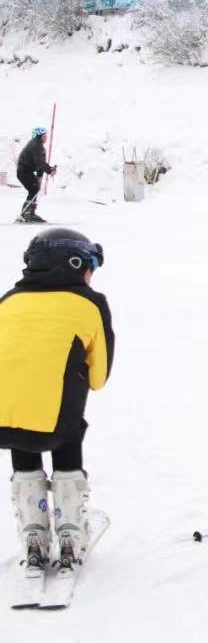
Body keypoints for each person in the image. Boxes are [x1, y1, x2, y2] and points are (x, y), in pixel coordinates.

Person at [1, 228, 113, 578]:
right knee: (66, 425)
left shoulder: (7, 301)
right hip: (56, 425)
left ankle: (33, 533)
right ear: (76, 264)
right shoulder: (90, 304)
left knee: (23, 423)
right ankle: (69, 533)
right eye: (91, 265)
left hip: (3, 422)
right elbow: (98, 378)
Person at [16, 128, 56, 224]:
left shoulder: (37, 145)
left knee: (34, 189)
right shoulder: (37, 145)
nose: (46, 137)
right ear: (39, 136)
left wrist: (41, 175)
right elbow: (39, 162)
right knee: (34, 189)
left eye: (46, 135)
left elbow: (39, 163)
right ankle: (27, 214)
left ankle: (29, 213)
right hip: (24, 172)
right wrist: (50, 170)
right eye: (44, 136)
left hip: (25, 171)